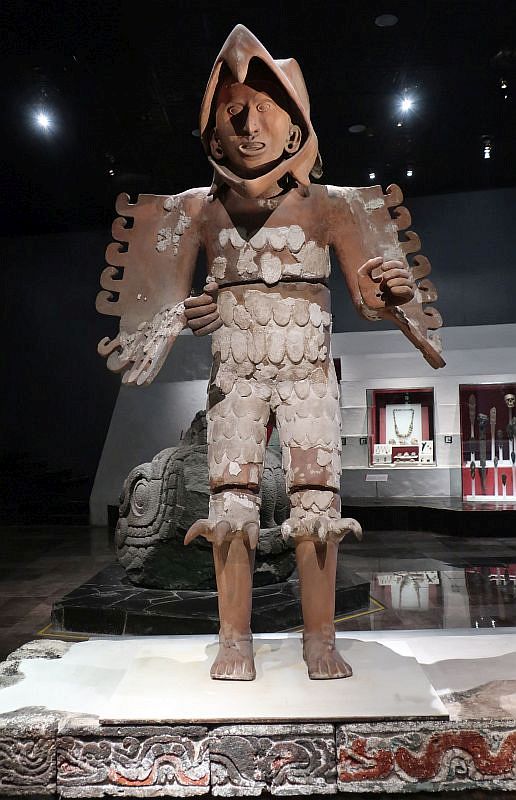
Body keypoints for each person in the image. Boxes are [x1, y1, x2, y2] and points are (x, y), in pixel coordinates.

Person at [97, 25, 442, 681]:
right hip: (236, 375)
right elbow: (164, 304)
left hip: (308, 371)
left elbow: (373, 296)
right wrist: (186, 312)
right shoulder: (198, 212)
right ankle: (234, 641)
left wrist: (392, 293)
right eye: (233, 112)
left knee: (317, 503)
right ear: (212, 136)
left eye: (263, 108)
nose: (249, 124)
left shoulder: (333, 208)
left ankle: (319, 640)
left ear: (294, 130)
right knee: (230, 504)